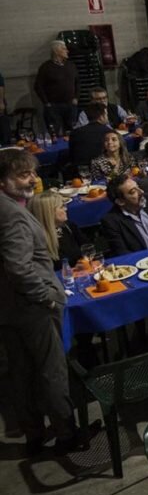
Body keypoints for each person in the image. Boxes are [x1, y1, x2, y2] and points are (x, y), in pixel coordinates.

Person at [0, 150, 84, 455]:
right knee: (51, 371)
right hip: (31, 308)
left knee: (21, 372)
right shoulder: (13, 215)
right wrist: (46, 297)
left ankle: (33, 434)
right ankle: (67, 434)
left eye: (33, 173)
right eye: (23, 175)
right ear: (3, 181)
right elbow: (19, 268)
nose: (33, 180)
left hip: (8, 308)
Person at [28, 189, 88, 270]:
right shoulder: (36, 241)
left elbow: (87, 248)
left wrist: (85, 260)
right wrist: (71, 270)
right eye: (61, 207)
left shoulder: (69, 226)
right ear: (49, 213)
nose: (66, 209)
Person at [35, 40, 78, 135]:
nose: (67, 51)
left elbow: (77, 82)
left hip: (70, 105)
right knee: (54, 132)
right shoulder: (46, 67)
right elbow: (38, 86)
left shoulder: (71, 65)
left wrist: (76, 97)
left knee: (72, 132)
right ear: (56, 51)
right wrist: (46, 103)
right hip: (53, 106)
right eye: (64, 49)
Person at [68, 103, 112, 170]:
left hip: (79, 171)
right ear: (101, 116)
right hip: (104, 171)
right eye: (106, 114)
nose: (107, 117)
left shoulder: (75, 133)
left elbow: (72, 156)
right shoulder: (110, 133)